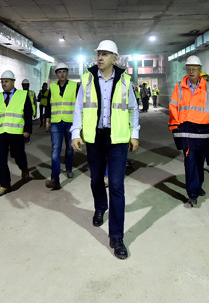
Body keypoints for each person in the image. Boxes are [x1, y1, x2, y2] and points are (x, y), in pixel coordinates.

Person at [71, 39, 140, 260]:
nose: (100, 57)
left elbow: (132, 109)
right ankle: (100, 207)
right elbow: (79, 107)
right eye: (98, 53)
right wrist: (75, 132)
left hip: (118, 139)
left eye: (105, 54)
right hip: (95, 138)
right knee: (96, 180)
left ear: (115, 58)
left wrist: (134, 133)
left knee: (117, 186)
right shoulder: (87, 78)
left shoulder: (125, 80)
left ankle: (117, 236)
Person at [168, 56, 209, 208]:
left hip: (203, 132)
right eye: (188, 68)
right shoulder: (179, 87)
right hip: (186, 131)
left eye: (194, 68)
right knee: (190, 163)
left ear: (200, 70)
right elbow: (173, 106)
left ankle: (198, 186)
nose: (191, 71)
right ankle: (192, 194)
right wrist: (175, 125)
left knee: (199, 162)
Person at [0, 70, 33, 197]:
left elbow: (28, 113)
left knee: (17, 155)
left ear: (13, 82)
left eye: (6, 81)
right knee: (0, 160)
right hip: (1, 133)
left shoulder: (22, 95)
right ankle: (4, 185)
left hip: (16, 132)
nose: (3, 84)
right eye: (2, 81)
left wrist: (27, 129)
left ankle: (24, 168)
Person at [44, 62, 79, 189]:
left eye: (64, 71)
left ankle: (69, 168)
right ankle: (55, 178)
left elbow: (79, 105)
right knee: (55, 149)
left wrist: (79, 124)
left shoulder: (75, 86)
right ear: (56, 74)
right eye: (59, 72)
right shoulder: (52, 87)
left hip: (70, 122)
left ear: (67, 73)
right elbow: (48, 105)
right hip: (56, 123)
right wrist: (47, 121)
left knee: (70, 148)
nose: (62, 74)